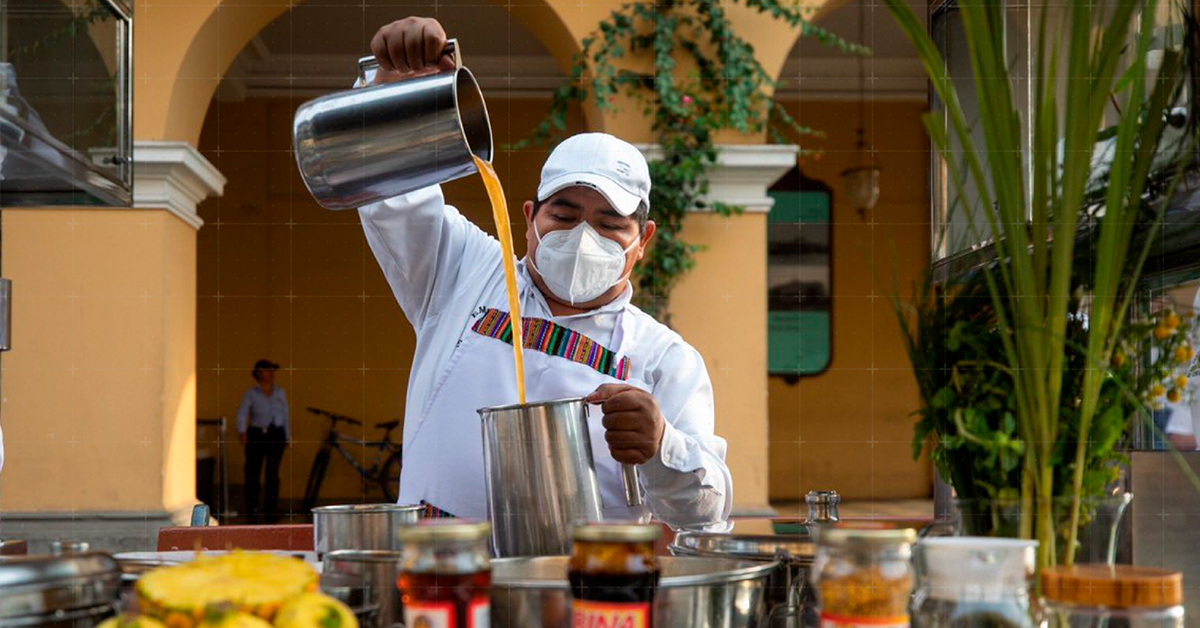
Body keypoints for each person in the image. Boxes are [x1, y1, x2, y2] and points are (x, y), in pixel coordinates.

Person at [358, 17, 732, 529]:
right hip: (440, 575)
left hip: (577, 592)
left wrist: (662, 445)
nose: (583, 237)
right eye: (565, 214)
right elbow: (393, 198)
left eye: (609, 224)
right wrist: (398, 92)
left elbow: (707, 512)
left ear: (642, 242)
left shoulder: (664, 358)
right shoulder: (464, 271)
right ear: (530, 218)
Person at [237, 359, 290, 523]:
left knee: (272, 474)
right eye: (268, 370)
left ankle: (271, 510)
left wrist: (287, 435)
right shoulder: (251, 393)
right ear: (259, 374)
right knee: (253, 472)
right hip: (257, 434)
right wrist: (242, 431)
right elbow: (242, 412)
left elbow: (285, 414)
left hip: (276, 434)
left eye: (272, 370)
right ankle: (252, 510)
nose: (271, 374)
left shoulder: (280, 392)